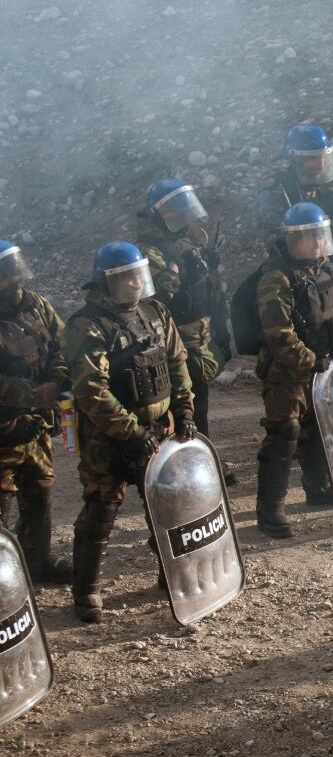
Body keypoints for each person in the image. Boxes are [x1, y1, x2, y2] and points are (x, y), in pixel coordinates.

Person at [62, 241, 195, 623]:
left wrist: (185, 412)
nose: (136, 284)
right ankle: (86, 590)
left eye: (139, 275)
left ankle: (171, 572)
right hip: (110, 438)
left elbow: (177, 364)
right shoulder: (87, 326)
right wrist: (131, 431)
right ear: (105, 283)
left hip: (159, 428)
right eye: (126, 278)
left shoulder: (156, 312)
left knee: (168, 504)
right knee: (102, 509)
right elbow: (91, 391)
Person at [253, 203, 333, 539]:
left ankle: (317, 487)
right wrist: (311, 360)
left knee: (317, 426)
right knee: (285, 432)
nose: (318, 244)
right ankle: (270, 511)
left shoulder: (327, 271)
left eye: (321, 237)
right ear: (295, 240)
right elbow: (279, 334)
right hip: (285, 373)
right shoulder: (275, 278)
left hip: (321, 365)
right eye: (312, 238)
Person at [133, 178, 236, 483]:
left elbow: (212, 294)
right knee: (176, 409)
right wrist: (176, 269)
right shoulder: (149, 250)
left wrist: (220, 334)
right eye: (176, 210)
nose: (184, 216)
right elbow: (154, 300)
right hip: (170, 344)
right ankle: (179, 471)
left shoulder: (190, 242)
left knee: (197, 404)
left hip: (198, 340)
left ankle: (200, 463)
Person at [0, 241, 73, 583]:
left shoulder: (37, 307)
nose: (13, 282)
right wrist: (33, 394)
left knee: (39, 492)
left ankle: (36, 563)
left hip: (36, 427)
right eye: (5, 276)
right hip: (5, 429)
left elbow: (62, 345)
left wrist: (57, 383)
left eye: (14, 272)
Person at [256, 123, 333, 280]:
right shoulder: (277, 192)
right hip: (296, 279)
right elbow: (273, 238)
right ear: (297, 159)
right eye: (313, 157)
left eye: (322, 156)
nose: (321, 163)